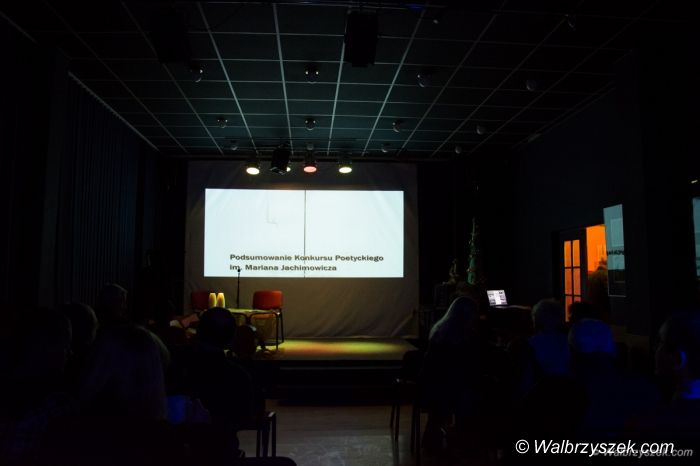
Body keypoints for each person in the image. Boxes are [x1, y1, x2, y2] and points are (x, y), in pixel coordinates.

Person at [419, 296, 484, 451]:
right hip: (454, 391)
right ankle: (467, 441)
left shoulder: (438, 332)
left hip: (433, 389)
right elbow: (472, 369)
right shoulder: (468, 338)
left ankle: (436, 439)